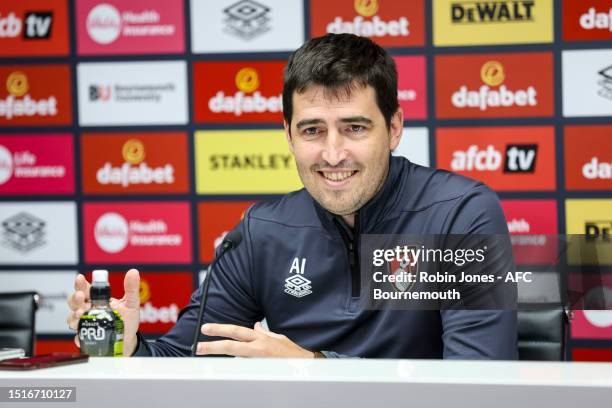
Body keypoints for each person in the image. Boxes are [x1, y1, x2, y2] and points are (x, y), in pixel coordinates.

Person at [67, 33, 517, 359]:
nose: (333, 152)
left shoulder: (458, 214)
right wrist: (126, 349)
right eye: (312, 130)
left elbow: (476, 380)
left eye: (355, 128)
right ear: (288, 134)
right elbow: (189, 359)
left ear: (394, 128)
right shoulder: (262, 230)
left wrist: (316, 370)